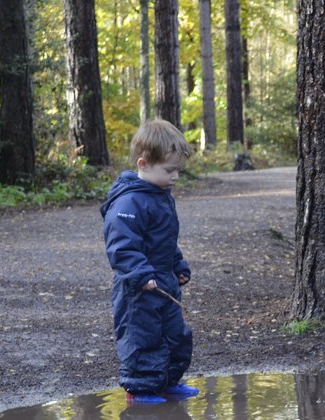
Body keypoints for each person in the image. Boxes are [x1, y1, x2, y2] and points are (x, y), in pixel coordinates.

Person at [100, 119, 201, 403]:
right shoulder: (128, 203)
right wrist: (140, 274)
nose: (175, 177)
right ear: (144, 164)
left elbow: (165, 240)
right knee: (143, 337)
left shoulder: (161, 196)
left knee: (174, 334)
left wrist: (178, 265)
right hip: (138, 288)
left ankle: (168, 381)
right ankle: (140, 389)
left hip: (164, 283)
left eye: (178, 170)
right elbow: (121, 246)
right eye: (170, 171)